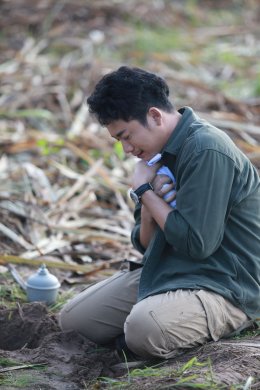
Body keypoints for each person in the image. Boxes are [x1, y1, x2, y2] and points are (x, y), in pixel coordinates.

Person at [59, 66, 260, 360]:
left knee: (143, 330)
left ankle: (223, 320)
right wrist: (150, 204)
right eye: (119, 141)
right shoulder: (155, 157)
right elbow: (144, 243)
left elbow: (198, 245)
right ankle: (155, 322)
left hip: (225, 281)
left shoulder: (206, 149)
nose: (127, 149)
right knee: (74, 321)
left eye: (127, 136)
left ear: (154, 116)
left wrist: (144, 192)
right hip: (168, 272)